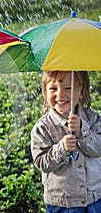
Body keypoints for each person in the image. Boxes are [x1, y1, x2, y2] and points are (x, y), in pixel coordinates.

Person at [31, 71, 101, 213]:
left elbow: (98, 149)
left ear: (81, 91)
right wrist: (61, 149)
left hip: (94, 197)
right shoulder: (42, 127)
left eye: (68, 88)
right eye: (53, 88)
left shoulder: (92, 118)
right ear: (45, 92)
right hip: (62, 202)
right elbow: (41, 163)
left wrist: (83, 130)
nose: (60, 94)